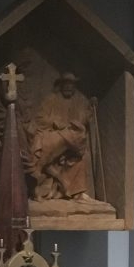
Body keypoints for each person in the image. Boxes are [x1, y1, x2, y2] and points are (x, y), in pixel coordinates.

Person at [28, 72, 94, 202]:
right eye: (66, 84)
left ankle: (76, 192)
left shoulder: (78, 102)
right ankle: (46, 187)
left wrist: (91, 109)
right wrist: (55, 122)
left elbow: (83, 119)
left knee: (81, 158)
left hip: (71, 139)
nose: (68, 87)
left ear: (74, 86)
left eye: (71, 84)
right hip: (52, 134)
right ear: (61, 85)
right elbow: (40, 118)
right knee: (46, 149)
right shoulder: (51, 100)